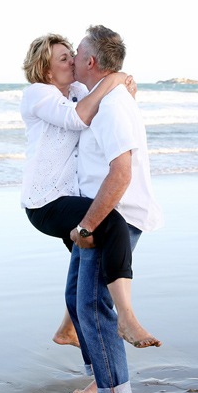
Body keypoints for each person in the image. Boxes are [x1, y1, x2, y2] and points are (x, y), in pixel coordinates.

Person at [20, 34, 160, 349]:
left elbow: (108, 110)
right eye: (64, 58)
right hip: (45, 202)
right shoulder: (37, 93)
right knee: (111, 222)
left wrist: (123, 90)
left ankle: (68, 332)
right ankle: (126, 318)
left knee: (84, 277)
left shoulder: (79, 91)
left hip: (73, 197)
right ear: (46, 70)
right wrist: (115, 79)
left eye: (72, 54)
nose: (72, 60)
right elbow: (77, 116)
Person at [66, 25, 164, 393]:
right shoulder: (103, 97)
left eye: (76, 53)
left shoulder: (113, 106)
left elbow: (120, 174)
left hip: (114, 217)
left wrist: (88, 225)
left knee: (92, 305)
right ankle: (100, 378)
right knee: (76, 297)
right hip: (102, 213)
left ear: (90, 61)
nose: (71, 58)